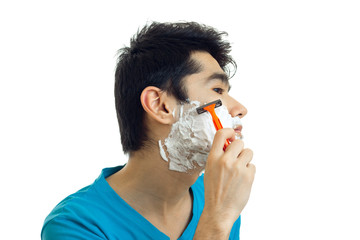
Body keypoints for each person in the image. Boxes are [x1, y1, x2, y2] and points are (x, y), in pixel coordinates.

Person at [41, 21, 256, 240]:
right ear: (160, 105)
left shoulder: (220, 191)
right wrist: (217, 220)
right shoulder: (75, 225)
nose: (240, 109)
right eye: (218, 90)